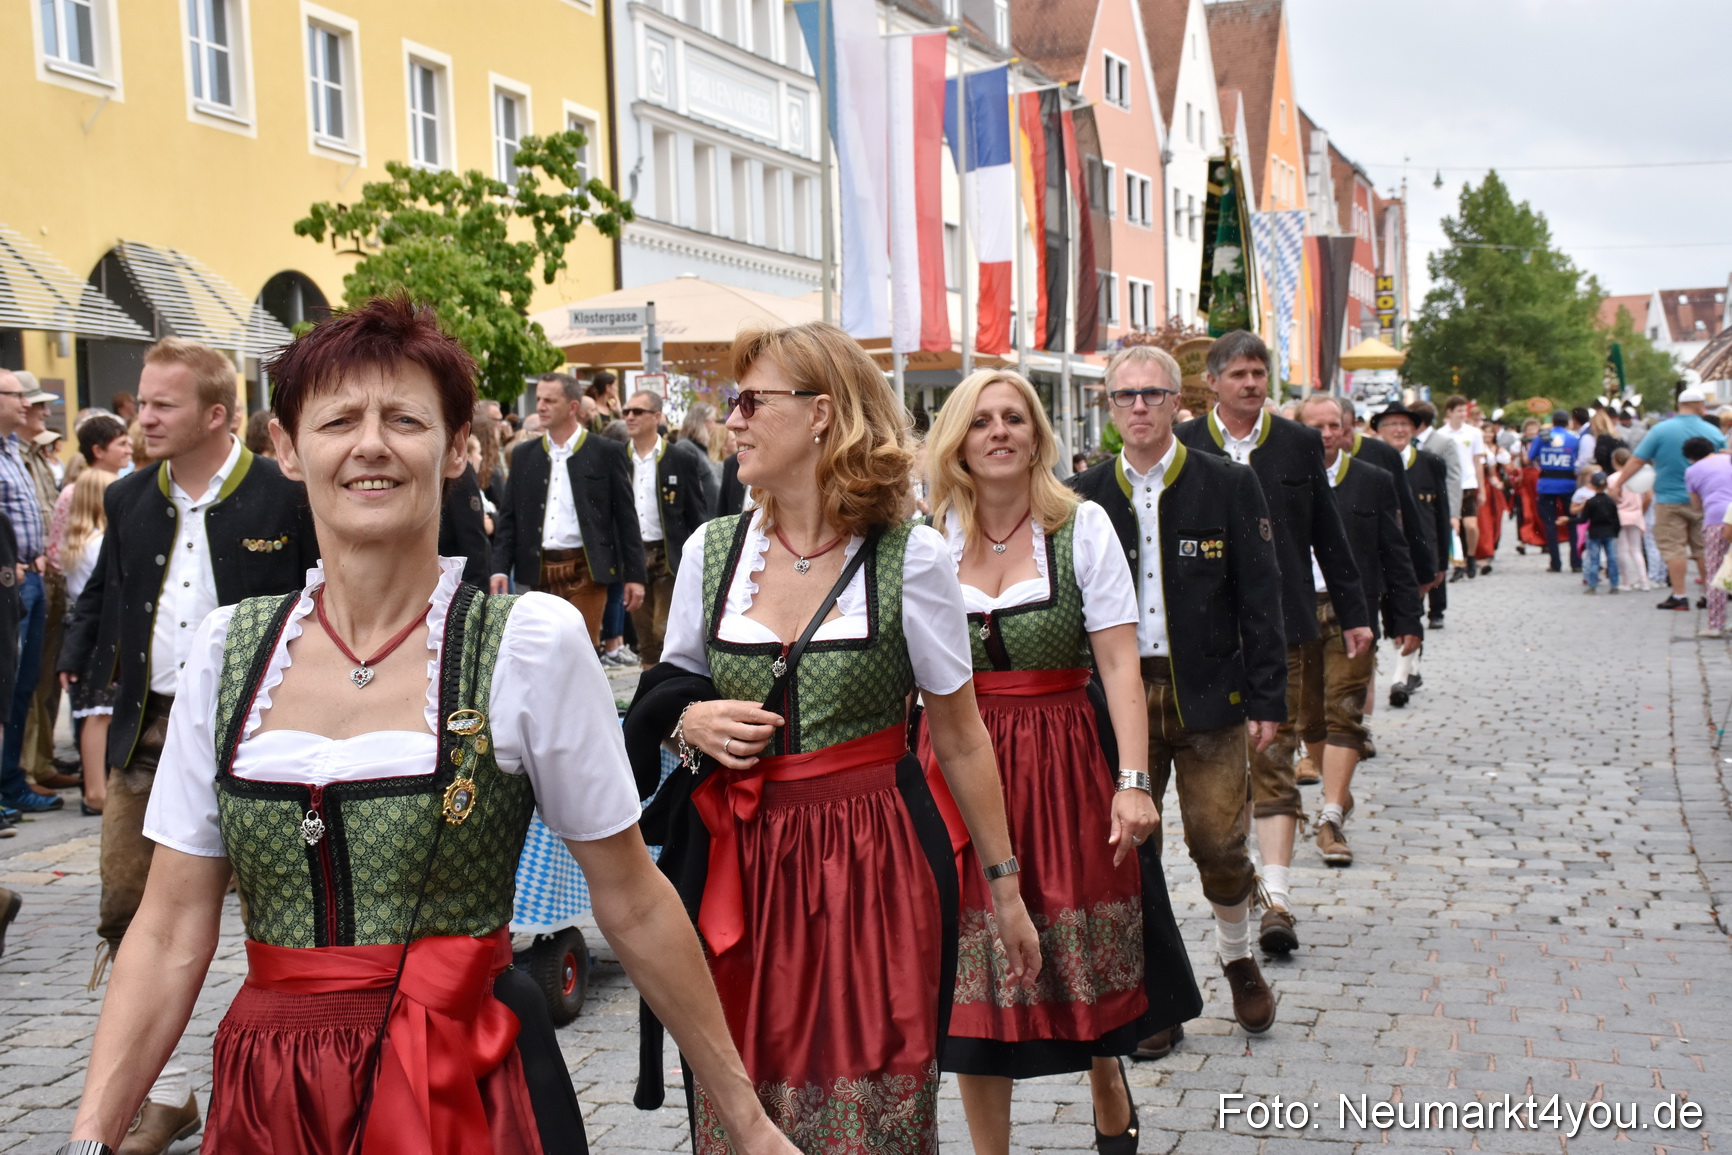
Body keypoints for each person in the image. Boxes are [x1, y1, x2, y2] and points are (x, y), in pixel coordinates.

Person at [64, 296, 800, 1155]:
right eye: (338, 418)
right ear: (288, 449)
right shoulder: (230, 652)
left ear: (457, 450)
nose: (370, 443)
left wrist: (747, 1123)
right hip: (277, 1097)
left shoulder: (527, 642)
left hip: (469, 1087)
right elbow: (168, 925)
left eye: (404, 418)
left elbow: (632, 898)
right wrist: (89, 1137)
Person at [627, 321, 1040, 1154]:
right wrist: (688, 718)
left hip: (873, 864)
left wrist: (1004, 886)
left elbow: (959, 737)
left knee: (872, 1104)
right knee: (747, 1101)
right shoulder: (713, 553)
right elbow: (661, 691)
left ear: (822, 414)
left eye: (751, 401)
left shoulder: (910, 559)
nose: (731, 421)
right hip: (739, 863)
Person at [917, 368, 1199, 1155]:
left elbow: (1118, 665)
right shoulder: (930, 537)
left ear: (1038, 435)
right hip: (956, 764)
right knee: (972, 970)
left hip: (1063, 758)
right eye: (981, 420)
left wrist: (1133, 783)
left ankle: (1106, 1073)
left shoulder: (1082, 526)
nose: (999, 431)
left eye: (1014, 417)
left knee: (1078, 951)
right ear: (959, 441)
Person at [56, 337, 321, 1153]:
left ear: (218, 413)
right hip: (150, 726)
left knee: (285, 909)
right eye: (140, 401)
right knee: (132, 908)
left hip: (266, 727)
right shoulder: (132, 496)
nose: (142, 418)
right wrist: (77, 669)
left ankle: (296, 1071)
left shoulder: (283, 493)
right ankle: (162, 1092)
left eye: (162, 404)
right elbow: (104, 597)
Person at [1073, 344, 1288, 1055]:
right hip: (1117, 696)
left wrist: (1267, 696)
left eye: (1152, 394)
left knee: (1217, 842)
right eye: (1125, 396)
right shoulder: (1083, 494)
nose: (1139, 406)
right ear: (1109, 407)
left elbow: (1261, 596)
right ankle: (1154, 994)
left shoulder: (1226, 483)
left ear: (1177, 401)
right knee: (1135, 851)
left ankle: (1236, 955)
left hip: (1210, 692)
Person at [1173, 332, 1368, 975]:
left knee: (1275, 752)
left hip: (1277, 623)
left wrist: (1357, 614)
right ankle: (1241, 877)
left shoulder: (1296, 442)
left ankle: (1277, 899)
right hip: (1200, 634)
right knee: (1221, 767)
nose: (1251, 384)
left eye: (1259, 373)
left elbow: (1329, 535)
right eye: (1239, 374)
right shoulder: (1185, 446)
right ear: (1213, 381)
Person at [1293, 395, 1421, 871]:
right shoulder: (1276, 477)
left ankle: (1330, 815)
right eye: (1316, 426)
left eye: (1334, 426)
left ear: (1348, 431)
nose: (1326, 434)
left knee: (1344, 711)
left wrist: (1407, 618)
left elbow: (1396, 551)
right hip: (1296, 612)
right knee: (1311, 718)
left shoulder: (1373, 481)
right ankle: (1334, 791)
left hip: (1354, 613)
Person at [490, 372, 646, 648]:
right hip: (538, 570)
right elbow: (508, 517)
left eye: (550, 400)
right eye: (539, 399)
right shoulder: (525, 454)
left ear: (573, 407)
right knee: (542, 651)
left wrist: (635, 575)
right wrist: (500, 569)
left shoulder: (606, 451)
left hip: (586, 569)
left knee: (580, 649)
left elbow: (626, 517)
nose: (540, 406)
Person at [1608, 387, 1727, 610]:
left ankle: (1680, 595)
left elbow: (1637, 460)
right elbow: (1724, 461)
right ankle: (1708, 595)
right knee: (1703, 548)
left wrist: (1619, 484)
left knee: (1674, 549)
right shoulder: (1713, 431)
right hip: (1704, 500)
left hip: (1668, 500)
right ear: (1700, 405)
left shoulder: (1660, 430)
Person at [0, 369, 57, 814]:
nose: (26, 403)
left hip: (28, 577)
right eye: (16, 395)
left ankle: (13, 778)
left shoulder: (13, 450)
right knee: (7, 685)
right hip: (10, 581)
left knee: (22, 686)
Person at [625, 388, 715, 668]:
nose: (629, 416)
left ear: (657, 417)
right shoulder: (616, 457)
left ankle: (665, 688)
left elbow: (696, 512)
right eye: (626, 411)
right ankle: (649, 685)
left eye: (637, 411)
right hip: (633, 554)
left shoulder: (679, 458)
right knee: (643, 634)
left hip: (668, 554)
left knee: (663, 629)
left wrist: (699, 557)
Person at [1367, 403, 1448, 707]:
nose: (1399, 430)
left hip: (1417, 551)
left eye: (1405, 424)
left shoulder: (1430, 463)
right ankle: (1409, 669)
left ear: (1415, 429)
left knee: (1411, 611)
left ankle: (1401, 676)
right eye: (1391, 425)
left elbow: (1440, 513)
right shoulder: (1367, 462)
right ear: (1378, 430)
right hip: (1379, 552)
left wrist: (1440, 561)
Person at [60, 468, 118, 816]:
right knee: (100, 713)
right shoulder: (98, 543)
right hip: (100, 637)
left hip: (85, 633)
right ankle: (96, 789)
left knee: (95, 714)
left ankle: (95, 787)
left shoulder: (78, 543)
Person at [1411, 401, 1460, 630]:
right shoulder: (1406, 442)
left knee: (1437, 555)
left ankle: (1437, 609)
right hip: (1414, 507)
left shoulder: (1443, 443)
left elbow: (1452, 479)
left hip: (1435, 506)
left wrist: (1452, 512)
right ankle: (1415, 606)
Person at [1684, 437, 1732, 636]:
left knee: (1715, 570)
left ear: (1691, 457)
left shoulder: (1692, 470)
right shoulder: (1727, 459)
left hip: (1715, 519)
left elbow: (1696, 505)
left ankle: (1715, 624)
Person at [1528, 412, 1582, 574]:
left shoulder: (1543, 437)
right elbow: (1579, 460)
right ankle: (1576, 562)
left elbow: (1530, 457)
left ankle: (1555, 563)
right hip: (1568, 484)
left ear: (1553, 422)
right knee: (1572, 522)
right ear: (1568, 423)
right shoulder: (1574, 439)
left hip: (1547, 484)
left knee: (1550, 524)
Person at [1611, 448, 1652, 592]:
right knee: (1636, 549)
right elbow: (1648, 496)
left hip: (1620, 514)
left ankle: (1626, 581)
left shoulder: (1613, 478)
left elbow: (1612, 498)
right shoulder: (1638, 478)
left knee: (1623, 549)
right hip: (1635, 514)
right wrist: (1640, 510)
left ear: (1615, 461)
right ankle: (1644, 581)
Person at [1578, 472, 1622, 595]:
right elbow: (1616, 519)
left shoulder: (1591, 502)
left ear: (1593, 485)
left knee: (1594, 560)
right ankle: (1614, 585)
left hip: (1595, 533)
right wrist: (1616, 532)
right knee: (1612, 559)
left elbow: (1583, 519)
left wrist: (1569, 520)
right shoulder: (1610, 501)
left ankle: (1592, 586)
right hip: (1609, 533)